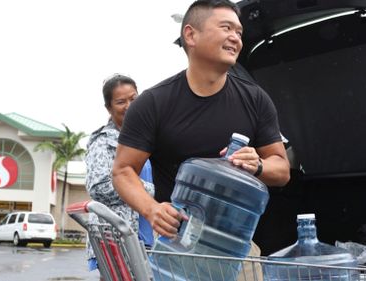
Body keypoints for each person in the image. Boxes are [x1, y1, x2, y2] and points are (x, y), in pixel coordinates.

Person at [112, 0, 290, 239]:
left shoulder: (256, 99)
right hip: (178, 243)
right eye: (226, 28)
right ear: (191, 35)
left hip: (235, 242)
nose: (236, 38)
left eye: (239, 32)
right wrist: (152, 209)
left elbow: (282, 169)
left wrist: (258, 165)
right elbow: (123, 171)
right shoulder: (151, 103)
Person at [84, 74, 154, 271]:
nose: (130, 106)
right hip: (117, 237)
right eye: (121, 102)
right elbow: (99, 187)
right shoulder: (103, 142)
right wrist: (147, 191)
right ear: (109, 108)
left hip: (146, 235)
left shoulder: (148, 139)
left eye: (134, 99)